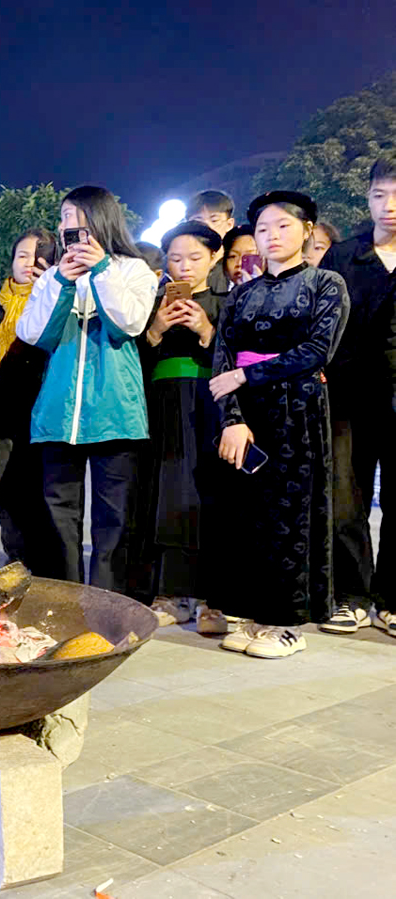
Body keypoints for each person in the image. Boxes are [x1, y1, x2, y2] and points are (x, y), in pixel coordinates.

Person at [210, 191, 349, 659]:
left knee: (292, 516)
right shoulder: (242, 293)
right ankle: (253, 613)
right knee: (248, 516)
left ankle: (287, 623)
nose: (272, 236)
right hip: (247, 416)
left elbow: (316, 351)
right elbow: (221, 359)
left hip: (298, 412)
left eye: (283, 227)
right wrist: (231, 419)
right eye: (263, 229)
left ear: (307, 230)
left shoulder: (325, 283)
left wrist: (248, 374)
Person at [16, 186, 156, 591]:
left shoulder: (133, 269)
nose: (66, 226)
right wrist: (59, 281)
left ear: (99, 220)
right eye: (62, 218)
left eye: (74, 217)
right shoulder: (54, 277)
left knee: (113, 519)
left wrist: (100, 271)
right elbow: (33, 333)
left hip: (116, 411)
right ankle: (67, 599)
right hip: (59, 414)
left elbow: (129, 322)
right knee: (60, 516)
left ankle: (108, 603)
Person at [137, 222, 230, 629]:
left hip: (212, 402)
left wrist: (207, 330)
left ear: (216, 257)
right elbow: (134, 358)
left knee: (211, 492)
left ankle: (215, 597)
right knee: (167, 492)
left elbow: (240, 355)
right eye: (175, 259)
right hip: (163, 404)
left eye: (195, 258)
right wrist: (156, 329)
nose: (185, 267)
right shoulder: (150, 302)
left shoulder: (230, 301)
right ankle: (171, 593)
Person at [318, 153, 396, 636]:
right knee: (346, 499)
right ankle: (350, 595)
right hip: (347, 397)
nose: (389, 206)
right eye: (379, 195)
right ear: (366, 198)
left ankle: (391, 598)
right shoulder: (343, 255)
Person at [0, 228, 56, 572]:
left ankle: (43, 560)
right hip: (0, 404)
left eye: (38, 256)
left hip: (42, 403)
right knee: (5, 485)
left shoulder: (57, 299)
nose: (29, 263)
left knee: (37, 485)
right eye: (22, 256)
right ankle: (15, 558)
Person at [187, 190, 236, 293]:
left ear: (229, 225)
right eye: (199, 221)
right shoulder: (180, 265)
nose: (207, 226)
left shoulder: (236, 265)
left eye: (214, 220)